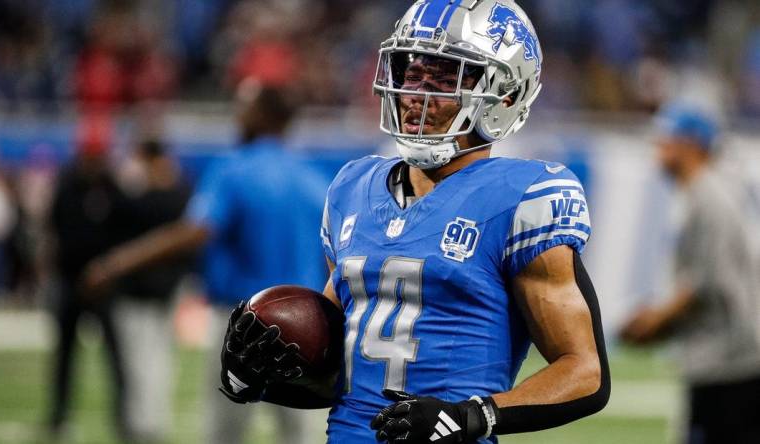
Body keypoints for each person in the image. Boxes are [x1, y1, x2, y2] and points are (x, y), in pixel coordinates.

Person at [219, 1, 610, 443]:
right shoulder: (352, 188)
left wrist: (468, 416)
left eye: (445, 77)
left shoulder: (523, 196)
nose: (417, 92)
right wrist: (259, 375)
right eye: (411, 72)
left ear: (504, 93)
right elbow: (341, 372)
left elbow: (585, 372)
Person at [82, 84, 330, 444]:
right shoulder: (314, 179)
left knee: (224, 434)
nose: (237, 115)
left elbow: (194, 232)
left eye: (244, 107)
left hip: (244, 322)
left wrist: (116, 263)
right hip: (306, 326)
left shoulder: (234, 169)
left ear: (264, 116)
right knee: (299, 436)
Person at [621, 103, 760, 444]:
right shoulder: (711, 191)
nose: (658, 148)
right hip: (727, 355)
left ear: (689, 144)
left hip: (729, 361)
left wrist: (654, 322)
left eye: (665, 139)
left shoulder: (707, 196)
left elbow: (706, 282)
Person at [46, 131, 129, 440]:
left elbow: (124, 228)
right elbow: (55, 228)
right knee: (65, 355)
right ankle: (58, 415)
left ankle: (122, 417)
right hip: (71, 281)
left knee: (115, 356)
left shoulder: (112, 187)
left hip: (105, 285)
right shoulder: (67, 185)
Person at [113, 139, 192, 443]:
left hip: (145, 287)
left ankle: (145, 422)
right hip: (167, 285)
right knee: (156, 357)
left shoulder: (152, 192)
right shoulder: (180, 189)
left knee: (142, 359)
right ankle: (150, 419)